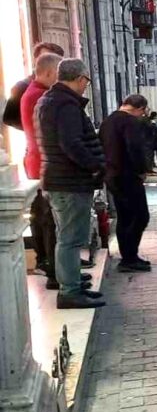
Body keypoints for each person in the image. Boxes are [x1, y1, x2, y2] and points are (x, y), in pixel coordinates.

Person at [36, 58, 105, 309]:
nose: (86, 85)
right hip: (68, 182)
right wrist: (95, 165)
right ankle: (70, 291)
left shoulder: (51, 100)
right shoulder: (65, 104)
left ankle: (72, 282)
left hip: (60, 180)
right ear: (79, 78)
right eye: (87, 80)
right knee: (70, 239)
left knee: (67, 236)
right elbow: (72, 144)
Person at [19, 51, 63, 288]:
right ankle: (56, 273)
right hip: (43, 165)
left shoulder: (35, 93)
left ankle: (59, 270)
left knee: (48, 220)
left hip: (40, 163)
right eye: (58, 73)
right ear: (48, 72)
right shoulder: (40, 95)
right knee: (50, 222)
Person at [100, 94, 154, 272]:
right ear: (140, 108)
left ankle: (128, 256)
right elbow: (135, 148)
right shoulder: (130, 122)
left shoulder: (107, 121)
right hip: (128, 175)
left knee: (124, 217)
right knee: (139, 216)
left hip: (112, 175)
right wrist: (142, 170)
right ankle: (129, 258)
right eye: (143, 112)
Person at [3, 42, 65, 131]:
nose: (49, 62)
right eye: (45, 58)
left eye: (53, 59)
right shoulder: (21, 87)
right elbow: (9, 118)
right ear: (36, 60)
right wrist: (35, 128)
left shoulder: (60, 86)